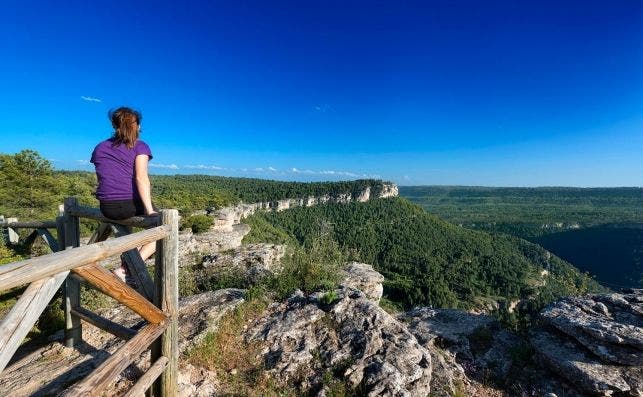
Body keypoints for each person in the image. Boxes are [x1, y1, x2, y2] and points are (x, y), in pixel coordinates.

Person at [90, 107, 157, 285]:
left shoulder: (100, 147)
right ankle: (127, 269)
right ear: (138, 126)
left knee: (127, 234)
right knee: (163, 228)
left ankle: (128, 264)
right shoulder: (140, 146)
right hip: (128, 205)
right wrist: (150, 211)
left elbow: (102, 176)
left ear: (114, 125)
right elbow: (141, 178)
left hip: (107, 207)